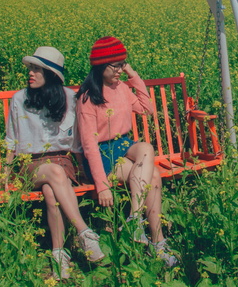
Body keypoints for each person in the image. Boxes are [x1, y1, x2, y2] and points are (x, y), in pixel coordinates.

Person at [75, 36, 177, 267]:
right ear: (100, 66)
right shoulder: (88, 97)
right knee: (152, 176)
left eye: (123, 64)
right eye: (116, 66)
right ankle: (157, 243)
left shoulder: (121, 87)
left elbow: (146, 108)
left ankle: (137, 222)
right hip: (102, 156)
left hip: (122, 145)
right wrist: (101, 185)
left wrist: (134, 76)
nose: (120, 70)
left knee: (146, 147)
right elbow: (89, 145)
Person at [4, 46, 104, 279]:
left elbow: (77, 141)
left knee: (51, 192)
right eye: (30, 69)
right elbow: (11, 140)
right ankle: (84, 233)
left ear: (51, 74)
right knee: (55, 174)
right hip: (31, 165)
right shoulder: (19, 98)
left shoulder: (70, 97)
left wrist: (82, 170)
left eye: (36, 70)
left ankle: (59, 254)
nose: (30, 74)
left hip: (61, 162)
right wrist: (6, 174)